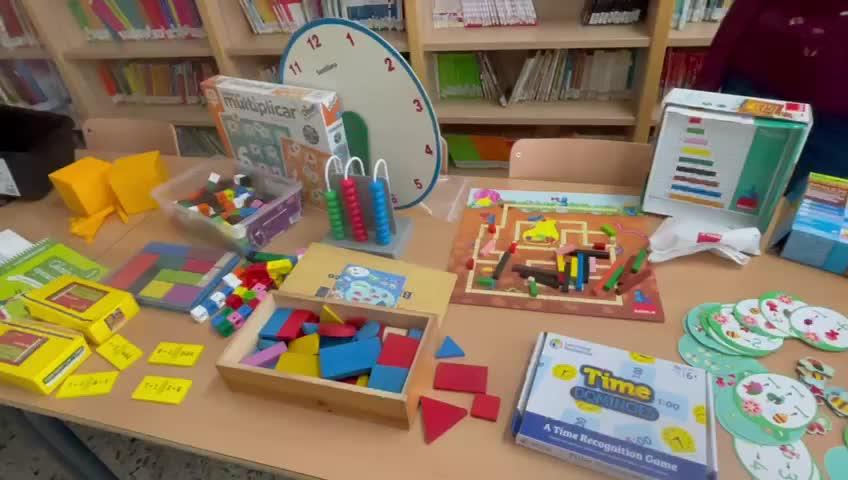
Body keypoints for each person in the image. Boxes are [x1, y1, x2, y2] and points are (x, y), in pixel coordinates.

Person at [695, 0, 848, 189]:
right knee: (725, 187)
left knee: (821, 199)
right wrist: (703, 90)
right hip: (760, 81)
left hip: (837, 116)